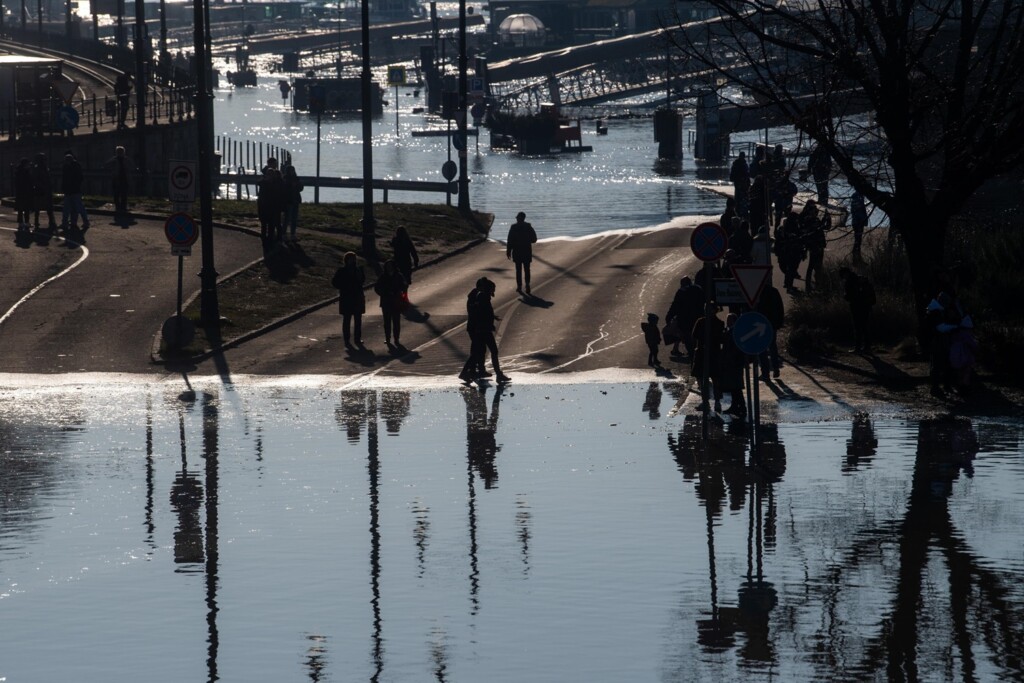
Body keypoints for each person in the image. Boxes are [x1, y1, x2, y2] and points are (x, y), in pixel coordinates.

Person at [472, 278, 510, 382]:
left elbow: (485, 313)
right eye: (493, 289)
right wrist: (489, 324)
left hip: (482, 329)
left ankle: (479, 371)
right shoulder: (483, 297)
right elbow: (483, 313)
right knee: (492, 350)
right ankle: (498, 374)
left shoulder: (483, 297)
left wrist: (492, 318)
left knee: (480, 351)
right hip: (484, 330)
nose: (494, 292)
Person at [691, 312, 725, 413]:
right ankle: (715, 402)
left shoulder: (701, 321)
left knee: (704, 379)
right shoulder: (719, 323)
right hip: (713, 354)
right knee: (714, 379)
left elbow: (694, 336)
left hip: (704, 353)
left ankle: (707, 401)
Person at [331, 251, 366, 347]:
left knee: (358, 320)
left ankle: (357, 338)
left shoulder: (358, 270)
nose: (353, 261)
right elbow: (335, 282)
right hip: (347, 298)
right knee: (347, 319)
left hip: (357, 297)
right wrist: (344, 286)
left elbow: (362, 281)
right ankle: (347, 339)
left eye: (354, 259)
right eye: (351, 259)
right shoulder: (342, 271)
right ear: (346, 260)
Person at [459, 277, 490, 381]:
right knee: (478, 350)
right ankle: (465, 372)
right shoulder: (476, 296)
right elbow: (475, 312)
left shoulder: (476, 295)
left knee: (479, 349)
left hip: (475, 326)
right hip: (475, 327)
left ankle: (478, 370)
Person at [665, 276, 704, 357]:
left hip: (685, 321)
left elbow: (675, 306)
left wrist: (669, 317)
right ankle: (696, 354)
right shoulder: (698, 289)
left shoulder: (681, 292)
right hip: (698, 319)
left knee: (688, 339)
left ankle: (692, 355)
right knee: (697, 338)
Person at [839, 267, 875, 353]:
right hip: (866, 306)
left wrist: (845, 296)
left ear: (845, 274)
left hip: (856, 307)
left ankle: (858, 347)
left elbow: (850, 296)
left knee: (858, 327)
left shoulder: (850, 282)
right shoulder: (860, 279)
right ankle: (867, 347)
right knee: (864, 326)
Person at [374, 260, 408, 347]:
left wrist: (399, 291)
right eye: (387, 266)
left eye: (390, 266)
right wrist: (383, 293)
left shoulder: (398, 275)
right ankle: (388, 338)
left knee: (396, 321)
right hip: (386, 302)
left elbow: (404, 285)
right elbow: (377, 287)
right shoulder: (383, 276)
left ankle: (396, 338)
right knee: (387, 321)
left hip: (396, 301)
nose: (389, 268)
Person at [720, 313, 748, 418]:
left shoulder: (734, 332)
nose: (728, 321)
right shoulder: (730, 331)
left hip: (734, 362)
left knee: (736, 387)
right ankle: (736, 406)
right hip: (732, 362)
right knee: (734, 387)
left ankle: (741, 407)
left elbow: (733, 348)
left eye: (729, 320)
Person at [756, 282, 785, 378]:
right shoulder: (773, 291)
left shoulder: (758, 291)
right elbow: (780, 308)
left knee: (762, 348)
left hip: (762, 323)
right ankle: (774, 369)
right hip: (771, 323)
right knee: (772, 346)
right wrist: (779, 322)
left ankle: (766, 372)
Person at [506, 211, 538, 294]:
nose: (516, 218)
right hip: (526, 251)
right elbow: (534, 239)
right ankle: (527, 284)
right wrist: (527, 240)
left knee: (518, 270)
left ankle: (519, 286)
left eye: (517, 217)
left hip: (517, 252)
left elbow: (510, 240)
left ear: (519, 218)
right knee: (527, 269)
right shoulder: (528, 226)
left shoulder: (513, 227)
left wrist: (508, 250)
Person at [799, 200, 827, 292]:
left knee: (817, 266)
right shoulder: (808, 220)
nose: (816, 212)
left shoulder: (815, 220)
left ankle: (817, 285)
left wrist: (826, 219)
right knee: (812, 266)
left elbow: (823, 227)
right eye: (814, 210)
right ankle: (810, 286)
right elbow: (813, 231)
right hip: (814, 245)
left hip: (819, 245)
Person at [257, 160, 285, 246]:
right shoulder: (264, 182)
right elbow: (259, 183)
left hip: (273, 206)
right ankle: (265, 239)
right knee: (264, 224)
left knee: (272, 224)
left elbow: (279, 195)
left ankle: (271, 239)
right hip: (264, 206)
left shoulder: (276, 183)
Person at [61, 151, 89, 233]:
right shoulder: (74, 166)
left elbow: (66, 179)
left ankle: (67, 223)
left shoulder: (69, 167)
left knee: (70, 208)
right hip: (74, 190)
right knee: (76, 207)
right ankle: (75, 222)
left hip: (73, 190)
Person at [30, 153, 57, 231]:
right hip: (40, 190)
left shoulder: (45, 168)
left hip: (46, 190)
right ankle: (37, 222)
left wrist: (49, 186)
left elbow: (48, 179)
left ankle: (51, 222)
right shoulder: (37, 169)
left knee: (49, 207)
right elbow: (35, 180)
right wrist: (42, 186)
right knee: (38, 207)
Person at [107, 145, 134, 219]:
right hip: (116, 179)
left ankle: (123, 207)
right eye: (118, 152)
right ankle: (119, 207)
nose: (120, 153)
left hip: (124, 179)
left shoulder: (126, 159)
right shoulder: (114, 160)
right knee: (116, 194)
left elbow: (131, 166)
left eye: (121, 152)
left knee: (123, 194)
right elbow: (107, 165)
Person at [390, 225, 419, 291]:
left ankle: (399, 293)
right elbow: (413, 251)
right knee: (406, 279)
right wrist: (416, 261)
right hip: (406, 261)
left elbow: (392, 246)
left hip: (397, 261)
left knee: (397, 278)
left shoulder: (395, 239)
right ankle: (404, 294)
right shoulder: (407, 240)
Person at [281, 164, 303, 242]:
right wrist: (291, 186)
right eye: (290, 170)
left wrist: (297, 185)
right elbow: (284, 189)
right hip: (288, 200)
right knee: (287, 218)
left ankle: (292, 234)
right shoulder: (285, 179)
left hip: (295, 200)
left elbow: (301, 188)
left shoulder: (296, 178)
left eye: (293, 170)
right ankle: (283, 234)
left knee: (294, 218)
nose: (292, 172)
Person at [14, 158, 33, 231]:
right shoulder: (23, 172)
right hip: (24, 192)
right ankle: (24, 222)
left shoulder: (19, 171)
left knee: (22, 208)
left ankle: (22, 222)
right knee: (24, 208)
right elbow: (27, 182)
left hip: (21, 192)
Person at [729, 151, 750, 217]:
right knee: (741, 198)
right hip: (741, 183)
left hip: (739, 183)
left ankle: (739, 211)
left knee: (739, 198)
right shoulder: (741, 164)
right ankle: (740, 212)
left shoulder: (736, 164)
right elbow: (746, 174)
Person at [850, 189, 867, 263]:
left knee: (858, 240)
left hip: (859, 222)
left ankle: (858, 258)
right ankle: (855, 258)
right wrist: (862, 220)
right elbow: (857, 212)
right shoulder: (857, 198)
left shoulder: (860, 197)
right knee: (857, 240)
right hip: (857, 223)